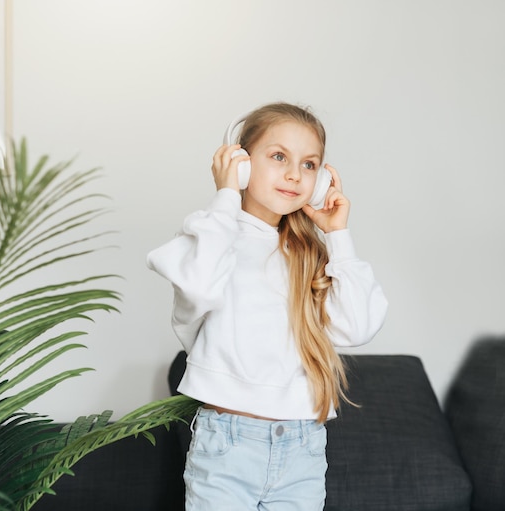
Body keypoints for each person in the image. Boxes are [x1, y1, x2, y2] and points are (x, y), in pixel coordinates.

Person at [146, 102, 388, 510]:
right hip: (227, 445)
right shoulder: (210, 235)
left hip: (303, 449)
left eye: (309, 164)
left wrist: (338, 236)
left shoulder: (311, 254)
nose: (294, 174)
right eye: (279, 157)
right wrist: (226, 195)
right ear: (240, 163)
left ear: (321, 179)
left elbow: (359, 326)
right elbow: (200, 288)